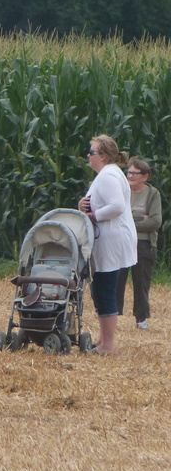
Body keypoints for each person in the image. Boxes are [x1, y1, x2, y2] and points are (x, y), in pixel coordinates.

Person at [78, 135, 137, 354]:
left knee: (104, 290)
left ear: (102, 156)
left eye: (91, 152)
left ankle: (108, 346)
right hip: (111, 240)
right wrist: (83, 206)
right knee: (102, 289)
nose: (88, 155)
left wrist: (93, 216)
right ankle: (103, 340)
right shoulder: (107, 174)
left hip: (111, 241)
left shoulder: (108, 175)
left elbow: (117, 206)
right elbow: (92, 202)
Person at [116, 157, 162, 330]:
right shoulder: (122, 192)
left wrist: (129, 223)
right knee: (117, 280)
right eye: (129, 172)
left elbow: (156, 221)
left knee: (141, 281)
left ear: (145, 176)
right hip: (122, 242)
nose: (131, 176)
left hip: (143, 244)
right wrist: (141, 219)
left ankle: (141, 318)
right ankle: (113, 315)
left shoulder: (152, 194)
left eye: (135, 173)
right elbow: (115, 215)